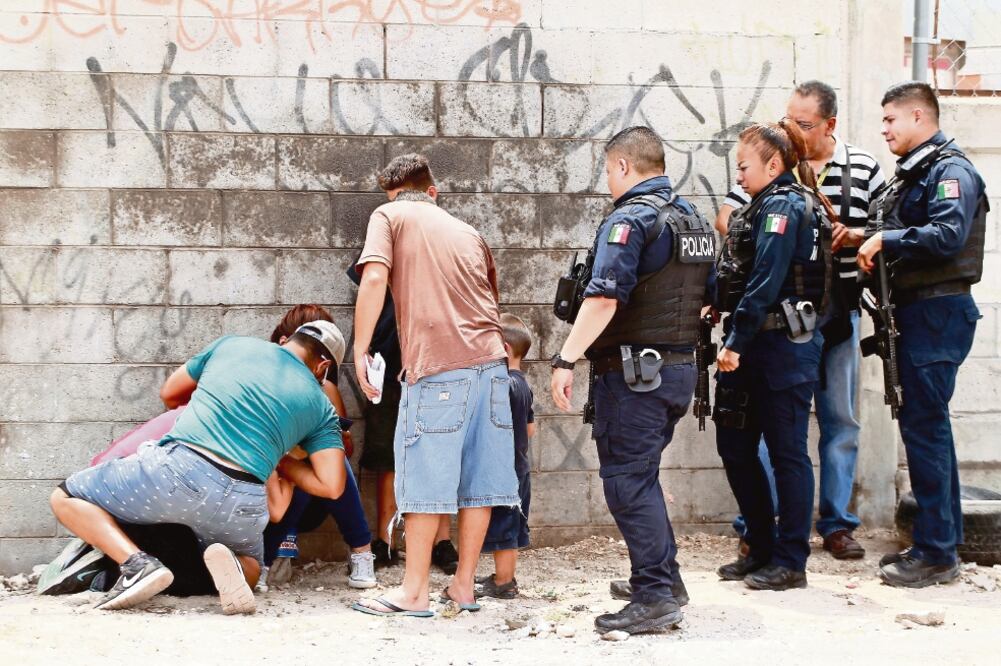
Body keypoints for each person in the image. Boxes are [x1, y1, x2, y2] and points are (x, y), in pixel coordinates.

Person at [49, 322, 348, 613]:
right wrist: (279, 457)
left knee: (64, 497)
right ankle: (236, 571)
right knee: (253, 566)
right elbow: (331, 485)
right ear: (322, 367)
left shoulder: (233, 345)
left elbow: (170, 393)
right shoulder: (321, 406)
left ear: (286, 341)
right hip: (244, 499)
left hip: (176, 473)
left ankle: (136, 565)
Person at [550, 126, 716, 634]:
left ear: (622, 165)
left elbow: (603, 298)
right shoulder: (694, 219)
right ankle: (665, 580)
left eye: (607, 169)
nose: (607, 179)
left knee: (626, 483)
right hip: (675, 371)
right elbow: (712, 297)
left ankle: (654, 596)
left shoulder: (631, 219)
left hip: (634, 376)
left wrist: (565, 359)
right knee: (641, 478)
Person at [715, 81, 886, 560]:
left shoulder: (857, 168)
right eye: (789, 118)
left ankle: (826, 530)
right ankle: (762, 531)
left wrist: (852, 237)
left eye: (803, 123)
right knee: (770, 434)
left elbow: (880, 231)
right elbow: (730, 221)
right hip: (775, 324)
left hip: (831, 315)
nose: (792, 127)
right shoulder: (771, 185)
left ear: (829, 125)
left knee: (831, 423)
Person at [351, 154, 519, 617]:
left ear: (397, 195)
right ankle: (463, 587)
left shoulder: (388, 215)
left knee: (423, 480)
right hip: (492, 366)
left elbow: (375, 278)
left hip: (439, 369)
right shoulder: (470, 233)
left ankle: (413, 592)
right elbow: (491, 302)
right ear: (433, 191)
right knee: (479, 482)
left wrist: (360, 350)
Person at [857, 81, 986, 588]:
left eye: (890, 119)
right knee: (929, 429)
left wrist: (886, 238)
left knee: (926, 429)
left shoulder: (950, 171)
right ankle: (939, 541)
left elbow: (948, 235)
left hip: (937, 313)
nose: (884, 129)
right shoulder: (915, 173)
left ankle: (936, 554)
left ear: (918, 116)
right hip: (918, 312)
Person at [713, 119, 835, 591]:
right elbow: (739, 271)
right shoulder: (757, 206)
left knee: (787, 454)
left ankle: (790, 561)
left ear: (774, 163)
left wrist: (736, 341)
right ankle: (760, 546)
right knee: (736, 447)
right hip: (753, 344)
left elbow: (766, 278)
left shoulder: (785, 206)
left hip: (781, 346)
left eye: (744, 167)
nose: (738, 176)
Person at [346, 263, 460, 574]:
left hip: (438, 358)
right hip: (389, 359)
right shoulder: (386, 239)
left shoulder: (438, 244)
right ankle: (385, 540)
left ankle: (441, 541)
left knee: (438, 452)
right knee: (387, 455)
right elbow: (367, 282)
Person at [261, 305, 376, 590]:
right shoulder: (260, 378)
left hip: (310, 493)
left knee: (320, 459)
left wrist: (341, 439)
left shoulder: (325, 390)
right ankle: (264, 559)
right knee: (294, 458)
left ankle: (362, 553)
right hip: (261, 489)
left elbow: (342, 455)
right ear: (284, 341)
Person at [476, 313, 536, 599]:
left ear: (505, 349)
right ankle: (504, 576)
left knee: (504, 528)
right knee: (512, 525)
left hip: (505, 469)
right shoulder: (522, 383)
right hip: (519, 466)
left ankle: (504, 582)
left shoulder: (503, 385)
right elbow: (530, 428)